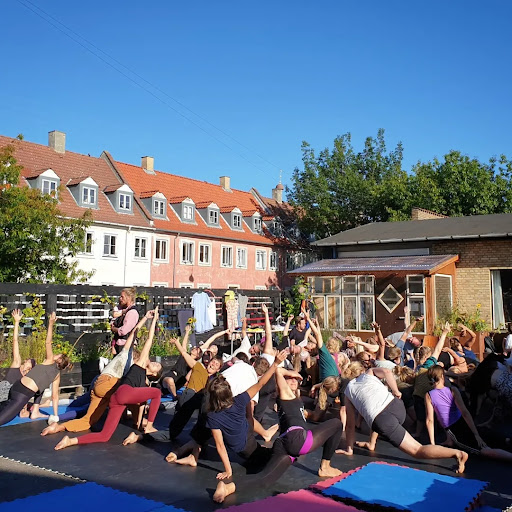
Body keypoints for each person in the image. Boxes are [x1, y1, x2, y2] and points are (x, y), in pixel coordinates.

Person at [213, 363, 343, 503]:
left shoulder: (294, 399)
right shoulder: (286, 396)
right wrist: (290, 372)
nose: (294, 380)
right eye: (290, 379)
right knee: (337, 423)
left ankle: (227, 488)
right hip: (297, 439)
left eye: (295, 380)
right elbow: (278, 372)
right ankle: (325, 466)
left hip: (284, 443)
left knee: (264, 479)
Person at [54, 306, 162, 450]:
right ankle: (148, 426)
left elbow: (140, 403)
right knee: (157, 393)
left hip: (114, 397)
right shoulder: (139, 364)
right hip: (114, 388)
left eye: (157, 366)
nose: (154, 362)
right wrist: (152, 319)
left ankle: (68, 439)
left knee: (101, 433)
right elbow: (147, 338)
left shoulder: (143, 379)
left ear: (154, 374)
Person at [335, 361, 468, 474]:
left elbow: (350, 425)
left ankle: (457, 454)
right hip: (397, 406)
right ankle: (372, 443)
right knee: (375, 411)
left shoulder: (348, 391)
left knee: (417, 450)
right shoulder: (369, 373)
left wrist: (349, 448)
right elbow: (387, 372)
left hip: (382, 419)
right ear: (361, 370)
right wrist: (396, 391)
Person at [425, 365, 512, 461]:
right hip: (464, 423)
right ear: (442, 377)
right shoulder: (452, 390)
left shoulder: (429, 395)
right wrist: (476, 434)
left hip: (456, 430)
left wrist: (432, 444)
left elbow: (430, 420)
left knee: (484, 450)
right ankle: (506, 441)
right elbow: (464, 412)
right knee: (488, 437)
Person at [0, 312, 71, 426]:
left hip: (16, 389)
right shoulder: (55, 373)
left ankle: (34, 411)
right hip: (20, 395)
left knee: (40, 387)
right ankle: (33, 411)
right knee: (2, 420)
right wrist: (55, 415)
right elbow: (55, 396)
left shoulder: (49, 361)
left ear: (58, 359)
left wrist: (51, 324)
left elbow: (48, 342)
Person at [0, 309, 35, 403]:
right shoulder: (17, 364)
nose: (28, 360)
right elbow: (15, 341)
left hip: (10, 399)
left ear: (31, 368)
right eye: (29, 359)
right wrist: (16, 322)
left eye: (30, 361)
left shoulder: (26, 378)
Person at [110, 287, 139, 354]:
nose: (120, 299)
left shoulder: (132, 312)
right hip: (120, 345)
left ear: (128, 298)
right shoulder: (125, 311)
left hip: (126, 346)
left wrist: (114, 329)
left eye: (122, 297)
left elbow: (123, 331)